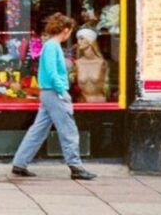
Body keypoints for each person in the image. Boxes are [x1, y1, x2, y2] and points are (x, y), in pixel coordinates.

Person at [10, 12, 97, 180]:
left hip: (48, 94)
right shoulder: (52, 46)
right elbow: (51, 72)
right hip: (54, 93)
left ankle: (19, 164)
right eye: (70, 30)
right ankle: (76, 167)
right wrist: (62, 91)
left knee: (38, 130)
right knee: (69, 130)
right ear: (65, 30)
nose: (70, 34)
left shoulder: (50, 46)